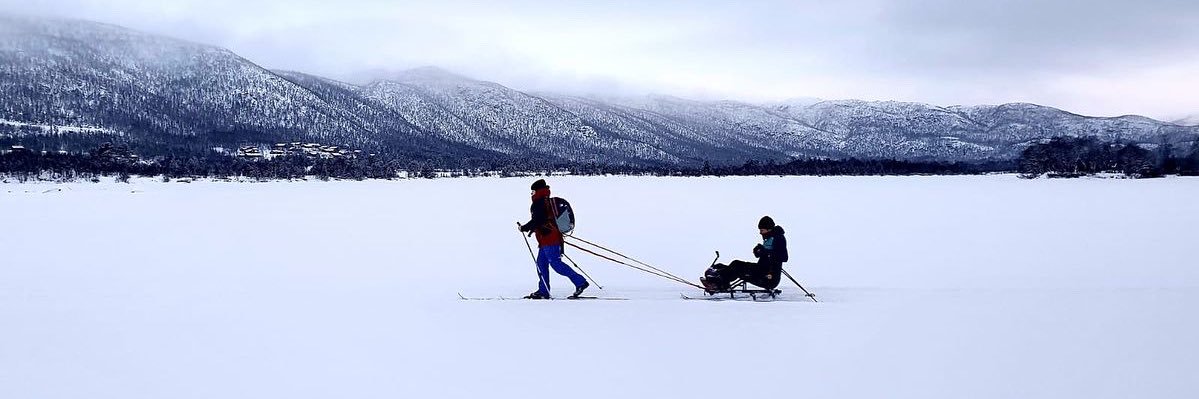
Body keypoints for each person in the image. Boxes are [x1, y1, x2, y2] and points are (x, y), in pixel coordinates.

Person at [519, 179, 589, 299]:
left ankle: (580, 282)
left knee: (556, 265)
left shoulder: (539, 203)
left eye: (533, 191)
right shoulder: (545, 201)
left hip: (550, 240)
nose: (531, 193)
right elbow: (542, 221)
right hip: (546, 240)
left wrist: (524, 228)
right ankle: (543, 291)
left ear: (538, 191)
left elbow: (537, 220)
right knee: (541, 264)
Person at [701, 216, 788, 292]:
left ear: (769, 229)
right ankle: (717, 275)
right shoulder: (769, 238)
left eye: (762, 230)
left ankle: (718, 283)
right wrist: (758, 251)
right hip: (761, 269)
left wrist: (765, 252)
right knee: (736, 263)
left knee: (738, 268)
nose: (760, 232)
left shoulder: (779, 238)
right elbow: (766, 255)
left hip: (768, 277)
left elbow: (784, 257)